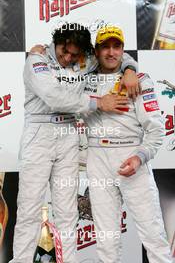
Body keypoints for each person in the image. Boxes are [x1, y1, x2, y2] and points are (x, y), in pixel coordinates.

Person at [9, 23, 139, 263]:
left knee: (68, 211)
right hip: (39, 133)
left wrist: (130, 68)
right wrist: (98, 103)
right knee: (29, 209)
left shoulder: (84, 59)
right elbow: (54, 96)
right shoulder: (37, 59)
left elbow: (111, 55)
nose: (68, 58)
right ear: (54, 43)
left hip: (69, 132)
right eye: (63, 52)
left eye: (74, 55)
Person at [83, 25, 173, 262]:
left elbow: (156, 131)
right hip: (97, 158)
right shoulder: (82, 81)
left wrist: (139, 157)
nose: (111, 52)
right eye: (105, 47)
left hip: (132, 157)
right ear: (96, 50)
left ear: (123, 49)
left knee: (153, 235)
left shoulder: (140, 80)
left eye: (117, 46)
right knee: (106, 238)